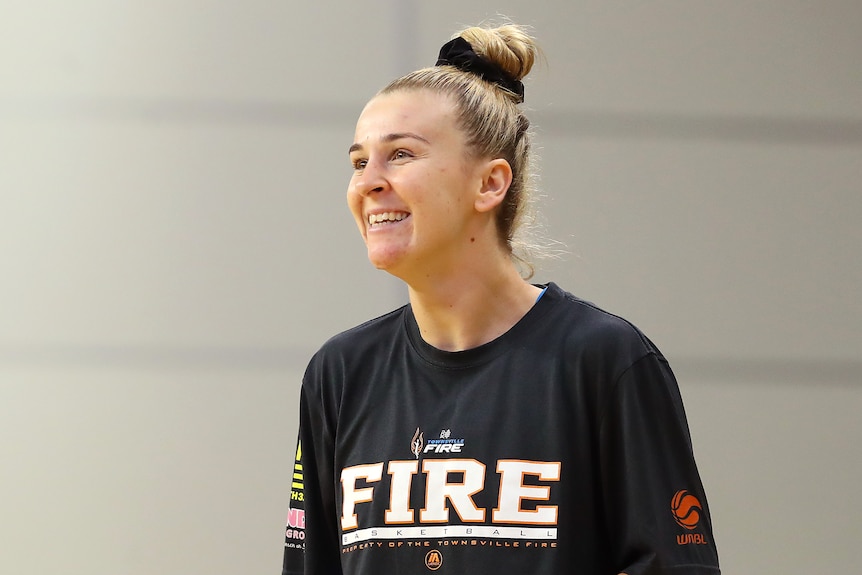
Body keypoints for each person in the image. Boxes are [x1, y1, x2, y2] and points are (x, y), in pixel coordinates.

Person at [282, 22, 720, 575]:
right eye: (358, 161)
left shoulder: (605, 361)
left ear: (490, 184)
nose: (369, 181)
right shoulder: (340, 374)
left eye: (401, 155)